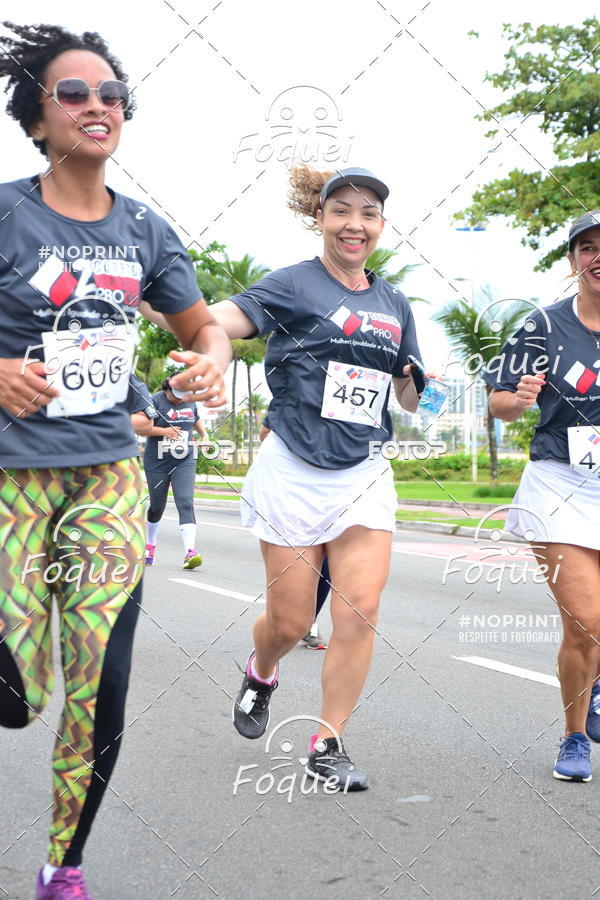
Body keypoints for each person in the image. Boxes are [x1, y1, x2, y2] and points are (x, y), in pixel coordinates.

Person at [0, 23, 229, 900]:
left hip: (107, 473)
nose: (96, 105)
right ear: (37, 117)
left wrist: (210, 356)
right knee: (18, 696)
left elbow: (201, 324)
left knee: (102, 679)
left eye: (111, 95)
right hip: (12, 477)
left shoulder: (144, 229)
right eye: (73, 93)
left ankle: (64, 864)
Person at [212, 165, 424, 790]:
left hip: (363, 471)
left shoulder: (394, 304)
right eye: (341, 212)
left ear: (380, 226)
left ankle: (328, 742)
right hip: (293, 468)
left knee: (360, 609)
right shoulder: (293, 283)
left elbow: (407, 396)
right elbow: (225, 317)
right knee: (291, 623)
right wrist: (185, 317)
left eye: (368, 214)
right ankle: (261, 670)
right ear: (321, 218)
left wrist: (416, 383)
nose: (355, 224)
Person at [486, 210, 600, 783]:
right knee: (588, 618)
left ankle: (590, 696)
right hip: (561, 485)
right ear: (573, 260)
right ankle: (575, 736)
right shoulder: (543, 326)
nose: (598, 257)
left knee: (589, 630)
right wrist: (521, 398)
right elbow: (498, 401)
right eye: (588, 247)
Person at [142, 376, 209, 568]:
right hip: (157, 461)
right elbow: (141, 428)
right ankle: (150, 545)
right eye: (175, 395)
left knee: (186, 502)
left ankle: (190, 552)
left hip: (184, 459)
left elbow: (196, 419)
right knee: (157, 507)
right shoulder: (154, 401)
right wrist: (164, 432)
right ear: (167, 389)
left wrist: (204, 435)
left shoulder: (190, 400)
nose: (180, 399)